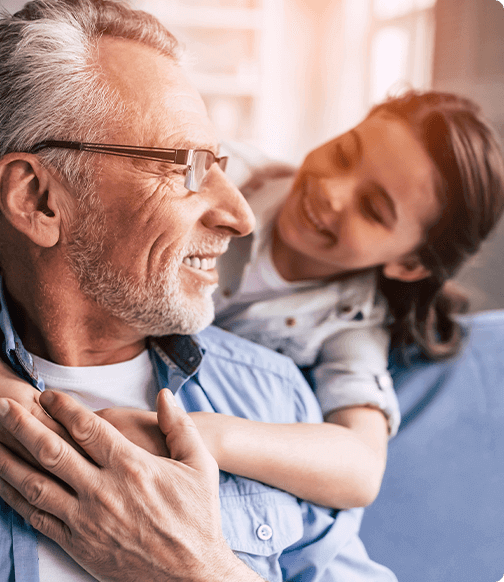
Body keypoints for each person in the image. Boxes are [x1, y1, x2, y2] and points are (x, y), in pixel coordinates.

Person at [0, 0, 400, 581]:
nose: (242, 217)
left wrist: (195, 567)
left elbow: (361, 467)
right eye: (185, 166)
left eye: (219, 163)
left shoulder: (274, 398)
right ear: (37, 200)